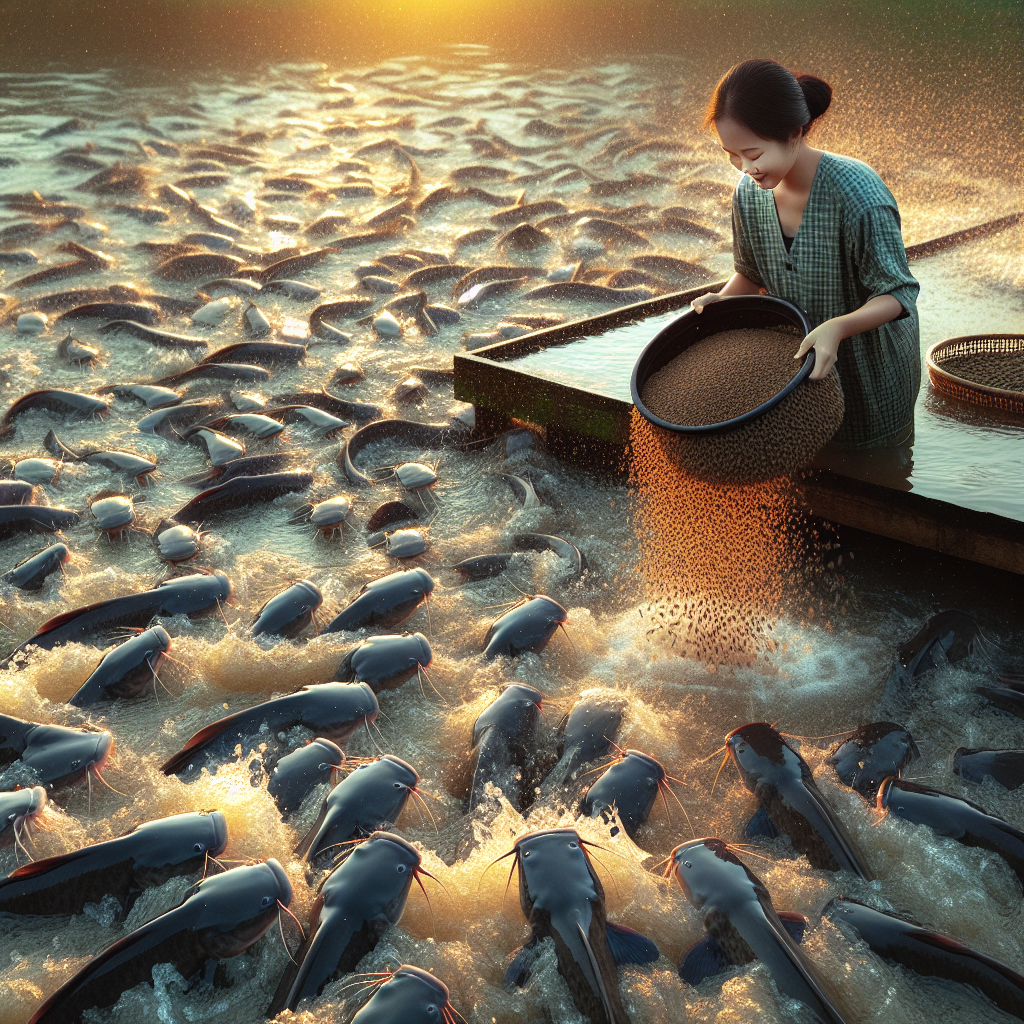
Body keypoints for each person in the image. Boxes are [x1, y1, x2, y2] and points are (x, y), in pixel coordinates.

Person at [692, 58, 920, 450]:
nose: (745, 167)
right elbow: (751, 272)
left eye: (753, 153)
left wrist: (837, 327)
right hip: (795, 373)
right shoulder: (748, 196)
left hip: (870, 373)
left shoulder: (857, 195)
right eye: (731, 154)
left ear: (794, 132)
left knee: (876, 470)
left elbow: (899, 295)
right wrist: (723, 300)